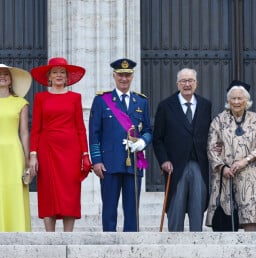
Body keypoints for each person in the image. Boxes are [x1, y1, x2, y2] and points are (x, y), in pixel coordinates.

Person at [89, 58, 152, 232]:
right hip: (109, 162)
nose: (124, 79)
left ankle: (131, 244)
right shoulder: (102, 100)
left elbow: (148, 129)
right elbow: (94, 133)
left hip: (134, 161)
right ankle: (109, 241)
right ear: (114, 76)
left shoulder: (141, 102)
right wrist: (96, 160)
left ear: (132, 77)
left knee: (132, 209)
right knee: (109, 208)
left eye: (128, 75)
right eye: (120, 75)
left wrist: (142, 142)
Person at [29, 57, 92, 232]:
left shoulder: (75, 98)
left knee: (70, 192)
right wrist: (33, 155)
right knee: (48, 191)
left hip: (71, 151)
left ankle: (68, 236)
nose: (58, 75)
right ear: (49, 76)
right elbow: (35, 129)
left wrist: (85, 154)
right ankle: (50, 236)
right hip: (46, 149)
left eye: (62, 72)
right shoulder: (40, 97)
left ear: (67, 77)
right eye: (55, 72)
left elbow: (80, 128)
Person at [205, 80, 256, 231]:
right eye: (233, 98)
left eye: (240, 98)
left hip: (250, 175)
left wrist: (245, 161)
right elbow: (211, 147)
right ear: (228, 101)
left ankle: (250, 251)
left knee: (250, 216)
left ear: (246, 100)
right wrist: (222, 168)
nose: (236, 102)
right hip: (226, 175)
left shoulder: (255, 118)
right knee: (226, 218)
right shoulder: (218, 120)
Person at [152, 68, 211, 232]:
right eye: (183, 81)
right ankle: (174, 243)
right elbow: (157, 138)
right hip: (175, 166)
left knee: (198, 205)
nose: (187, 84)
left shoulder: (206, 105)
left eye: (190, 80)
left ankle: (196, 244)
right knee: (176, 206)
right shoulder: (165, 106)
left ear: (196, 84)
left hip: (199, 163)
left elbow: (210, 133)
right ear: (177, 84)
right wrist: (164, 160)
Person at [0, 63, 32, 232]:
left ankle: (16, 228)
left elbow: (24, 132)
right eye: (0, 73)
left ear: (11, 79)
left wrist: (27, 158)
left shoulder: (21, 102)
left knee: (13, 190)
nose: (2, 76)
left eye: (6, 74)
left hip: (13, 151)